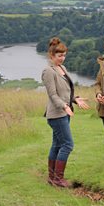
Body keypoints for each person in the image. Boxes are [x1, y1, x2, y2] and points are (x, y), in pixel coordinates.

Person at [42, 37, 89, 188]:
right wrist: (64, 106)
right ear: (51, 56)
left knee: (57, 144)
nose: (62, 58)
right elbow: (53, 95)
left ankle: (52, 177)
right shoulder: (48, 71)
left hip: (64, 112)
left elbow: (65, 93)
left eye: (64, 55)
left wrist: (75, 100)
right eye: (59, 56)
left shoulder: (62, 69)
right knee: (68, 145)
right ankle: (58, 179)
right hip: (56, 114)